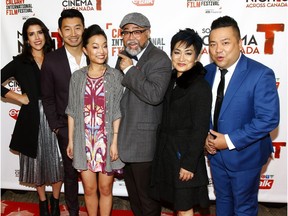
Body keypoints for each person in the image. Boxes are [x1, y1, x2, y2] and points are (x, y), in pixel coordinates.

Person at [205, 16, 280, 216]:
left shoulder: (260, 74)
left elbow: (268, 119)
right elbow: (201, 110)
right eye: (213, 44)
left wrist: (228, 140)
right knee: (222, 203)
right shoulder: (206, 72)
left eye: (225, 43)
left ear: (239, 44)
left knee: (244, 208)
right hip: (215, 156)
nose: (218, 49)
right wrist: (205, 136)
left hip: (246, 155)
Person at [1, 17, 63, 216]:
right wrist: (18, 97)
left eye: (39, 32)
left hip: (56, 116)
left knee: (58, 161)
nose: (36, 37)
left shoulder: (56, 58)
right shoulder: (20, 62)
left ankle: (55, 201)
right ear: (26, 39)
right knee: (36, 164)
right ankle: (43, 203)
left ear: (45, 34)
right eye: (31, 34)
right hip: (32, 119)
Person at [115, 12, 172, 216]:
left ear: (148, 33)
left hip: (145, 142)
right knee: (135, 198)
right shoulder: (123, 56)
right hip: (124, 138)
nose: (131, 37)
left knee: (148, 201)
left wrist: (130, 71)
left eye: (137, 32)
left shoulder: (159, 59)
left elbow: (155, 95)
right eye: (126, 32)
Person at [66, 24, 125, 216]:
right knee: (89, 190)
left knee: (106, 189)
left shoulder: (115, 76)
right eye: (95, 46)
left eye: (105, 45)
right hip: (83, 143)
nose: (102, 51)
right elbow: (72, 111)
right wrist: (70, 140)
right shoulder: (77, 77)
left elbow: (117, 111)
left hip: (107, 142)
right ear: (85, 49)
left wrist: (115, 141)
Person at [151, 28, 212, 216]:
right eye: (177, 52)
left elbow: (200, 128)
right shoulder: (170, 80)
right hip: (167, 154)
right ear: (171, 54)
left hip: (184, 157)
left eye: (188, 53)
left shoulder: (199, 86)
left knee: (185, 207)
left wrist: (188, 163)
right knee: (177, 205)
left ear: (197, 55)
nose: (181, 58)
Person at [41, 9, 87, 216]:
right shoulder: (51, 60)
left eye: (77, 27)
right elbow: (48, 98)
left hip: (96, 127)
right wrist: (57, 128)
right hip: (66, 127)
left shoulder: (95, 53)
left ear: (83, 28)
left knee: (96, 174)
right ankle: (74, 212)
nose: (73, 33)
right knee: (70, 174)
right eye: (67, 29)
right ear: (59, 32)